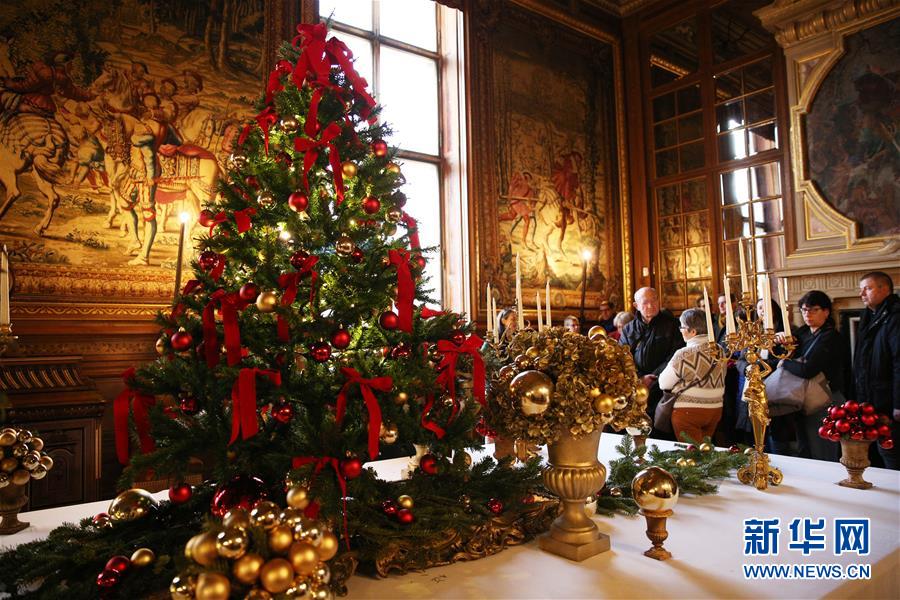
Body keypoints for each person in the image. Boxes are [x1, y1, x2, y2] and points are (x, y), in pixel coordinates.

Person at [777, 291, 846, 462]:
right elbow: (787, 354)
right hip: (805, 398)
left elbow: (808, 369)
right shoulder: (803, 333)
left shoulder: (831, 336)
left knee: (822, 452)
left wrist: (784, 363)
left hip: (826, 399)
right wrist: (780, 341)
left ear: (826, 312)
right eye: (804, 310)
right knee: (805, 450)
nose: (808, 314)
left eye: (814, 309)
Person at [619, 287, 685, 431]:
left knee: (660, 431)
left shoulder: (673, 325)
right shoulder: (628, 329)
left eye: (654, 300)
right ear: (636, 305)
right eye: (645, 302)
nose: (650, 305)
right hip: (636, 388)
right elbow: (623, 359)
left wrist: (653, 377)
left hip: (663, 388)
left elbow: (676, 355)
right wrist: (640, 379)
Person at [853, 271, 900, 469]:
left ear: (885, 289)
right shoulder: (869, 316)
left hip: (889, 401)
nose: (862, 294)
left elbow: (898, 362)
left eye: (868, 288)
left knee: (891, 453)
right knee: (877, 455)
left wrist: (898, 404)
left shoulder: (895, 317)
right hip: (872, 398)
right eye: (861, 289)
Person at [658, 309, 726, 443]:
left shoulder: (684, 354)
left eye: (682, 327)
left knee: (692, 452)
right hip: (716, 409)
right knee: (706, 450)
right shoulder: (719, 350)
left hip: (689, 411)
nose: (680, 330)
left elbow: (664, 383)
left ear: (693, 331)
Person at [734, 298, 785, 448]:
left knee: (774, 437)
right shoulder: (752, 334)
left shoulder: (785, 333)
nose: (763, 310)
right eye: (760, 308)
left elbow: (783, 361)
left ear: (774, 310)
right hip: (752, 385)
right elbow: (740, 361)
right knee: (752, 434)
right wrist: (749, 368)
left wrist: (758, 366)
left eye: (766, 306)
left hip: (774, 388)